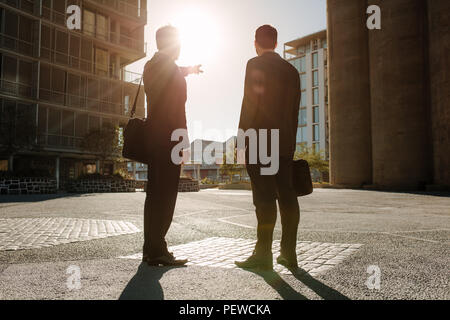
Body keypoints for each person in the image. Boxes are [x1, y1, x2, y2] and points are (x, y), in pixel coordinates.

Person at [235, 25, 301, 271]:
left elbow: (249, 104)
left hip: (261, 139)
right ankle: (289, 253)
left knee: (264, 198)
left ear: (256, 42)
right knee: (287, 196)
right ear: (275, 42)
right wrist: (290, 144)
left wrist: (241, 142)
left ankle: (263, 254)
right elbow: (295, 112)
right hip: (284, 143)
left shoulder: (255, 64)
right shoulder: (292, 71)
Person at [142, 25, 202, 266]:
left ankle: (150, 248)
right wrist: (182, 141)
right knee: (165, 195)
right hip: (170, 138)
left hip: (155, 138)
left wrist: (189, 70)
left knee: (155, 194)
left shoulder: (152, 65)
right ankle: (158, 250)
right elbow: (175, 108)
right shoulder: (167, 68)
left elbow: (172, 74)